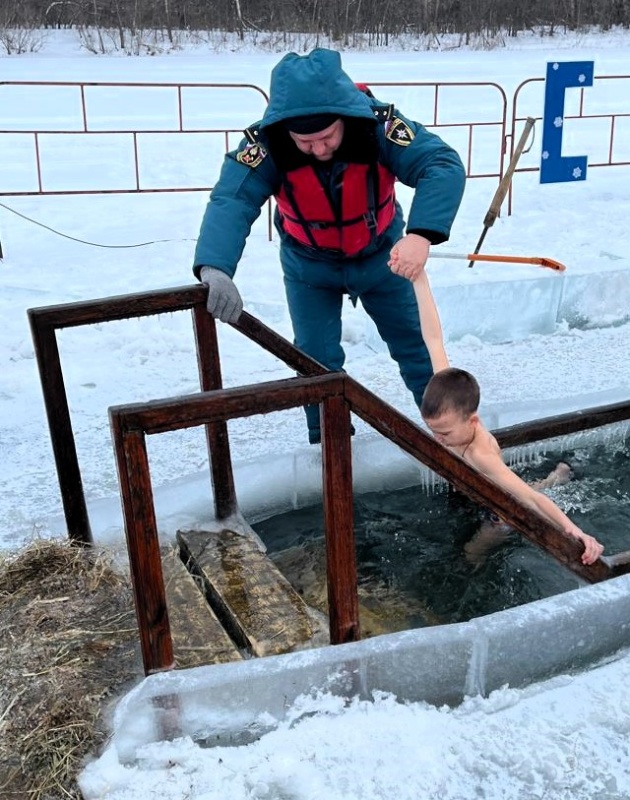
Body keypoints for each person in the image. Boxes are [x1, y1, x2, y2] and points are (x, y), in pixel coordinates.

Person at [193, 47, 466, 444]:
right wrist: (214, 267)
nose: (318, 149)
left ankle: (452, 441)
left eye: (327, 136)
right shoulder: (264, 143)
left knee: (416, 346)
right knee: (316, 363)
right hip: (309, 267)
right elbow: (232, 199)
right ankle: (330, 448)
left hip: (384, 257)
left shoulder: (378, 123)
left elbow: (441, 164)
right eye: (305, 141)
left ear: (343, 116)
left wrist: (421, 235)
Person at [390, 267, 604, 566]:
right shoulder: (449, 400)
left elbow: (530, 501)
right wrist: (419, 278)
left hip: (500, 509)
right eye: (433, 430)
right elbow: (433, 339)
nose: (438, 439)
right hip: (478, 488)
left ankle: (556, 479)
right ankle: (558, 476)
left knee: (472, 555)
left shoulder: (481, 455)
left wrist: (578, 533)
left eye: (446, 434)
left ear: (472, 420)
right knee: (510, 486)